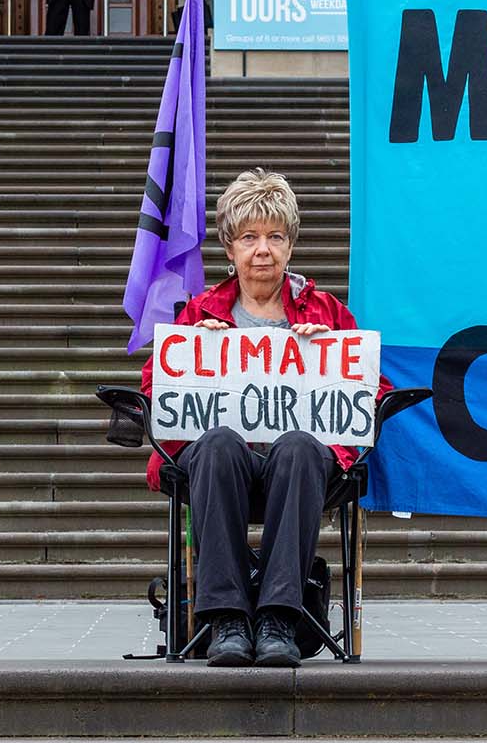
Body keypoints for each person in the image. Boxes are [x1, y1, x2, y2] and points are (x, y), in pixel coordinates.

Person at [140, 169, 389, 668]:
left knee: (298, 445)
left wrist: (329, 361)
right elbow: (155, 387)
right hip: (221, 470)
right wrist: (196, 355)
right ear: (229, 248)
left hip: (299, 471)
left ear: (290, 246)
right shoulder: (200, 312)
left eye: (275, 237)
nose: (263, 250)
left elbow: (371, 390)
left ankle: (279, 617)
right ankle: (227, 618)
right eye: (249, 238)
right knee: (217, 444)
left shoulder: (327, 311)